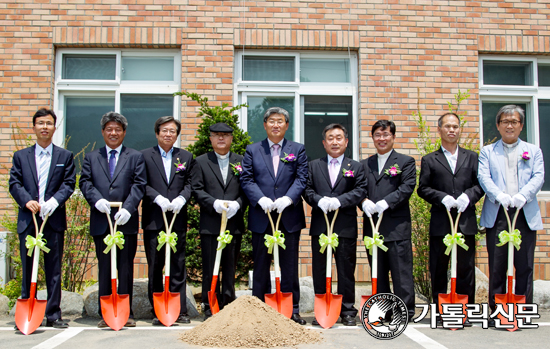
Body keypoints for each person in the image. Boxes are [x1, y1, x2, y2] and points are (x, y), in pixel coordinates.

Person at [240, 107, 308, 325]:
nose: (276, 125)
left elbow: (301, 178)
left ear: (287, 125)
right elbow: (247, 179)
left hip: (289, 217)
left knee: (289, 266)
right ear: (265, 124)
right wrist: (260, 199)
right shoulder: (253, 150)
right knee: (261, 265)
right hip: (262, 216)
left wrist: (288, 199)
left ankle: (292, 309)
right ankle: (259, 309)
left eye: (280, 121)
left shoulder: (297, 150)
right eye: (271, 121)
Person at [9, 108, 76, 329]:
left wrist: (54, 202)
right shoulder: (21, 156)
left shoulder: (64, 156)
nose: (44, 127)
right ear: (34, 127)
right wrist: (27, 201)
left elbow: (68, 184)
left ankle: (54, 314)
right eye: (40, 123)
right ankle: (27, 309)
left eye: (48, 123)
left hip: (52, 220)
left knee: (53, 269)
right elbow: (15, 183)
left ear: (54, 127)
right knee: (28, 267)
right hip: (29, 219)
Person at [478, 105, 544, 325]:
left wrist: (523, 196)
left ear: (521, 125)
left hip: (524, 212)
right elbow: (484, 178)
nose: (509, 125)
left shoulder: (533, 151)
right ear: (498, 125)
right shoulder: (488, 151)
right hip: (498, 212)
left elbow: (538, 177)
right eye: (505, 121)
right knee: (497, 264)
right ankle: (498, 311)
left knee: (524, 265)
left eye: (514, 121)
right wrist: (500, 195)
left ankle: (523, 311)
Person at [80, 111, 147, 328]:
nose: (113, 132)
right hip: (102, 221)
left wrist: (129, 208)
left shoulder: (135, 157)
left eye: (118, 129)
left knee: (125, 267)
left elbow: (139, 185)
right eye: (109, 129)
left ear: (124, 132)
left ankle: (125, 313)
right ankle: (105, 313)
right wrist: (96, 201)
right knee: (105, 266)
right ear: (102, 132)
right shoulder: (92, 157)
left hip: (125, 221)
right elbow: (85, 183)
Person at [418, 112, 484, 326]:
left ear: (459, 129)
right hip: (441, 222)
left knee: (466, 269)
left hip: (465, 222)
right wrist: (442, 197)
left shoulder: (472, 157)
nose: (452, 130)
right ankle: (439, 313)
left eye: (455, 126)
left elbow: (481, 184)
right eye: (447, 126)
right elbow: (423, 188)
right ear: (439, 129)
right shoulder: (430, 159)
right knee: (438, 268)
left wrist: (469, 197)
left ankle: (465, 312)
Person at [304, 123, 367, 326]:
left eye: (339, 138)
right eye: (330, 138)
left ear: (346, 142)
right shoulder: (313, 166)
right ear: (324, 143)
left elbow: (361, 190)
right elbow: (307, 189)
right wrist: (319, 200)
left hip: (345, 226)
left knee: (345, 269)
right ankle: (322, 308)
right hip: (321, 226)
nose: (335, 141)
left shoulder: (356, 167)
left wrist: (341, 201)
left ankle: (348, 310)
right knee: (320, 269)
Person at [360, 119, 416, 320]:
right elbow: (358, 189)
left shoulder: (405, 162)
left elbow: (407, 187)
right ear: (373, 138)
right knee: (378, 272)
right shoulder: (364, 164)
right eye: (377, 135)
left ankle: (406, 310)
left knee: (401, 272)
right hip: (373, 228)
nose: (381, 139)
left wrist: (387, 202)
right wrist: (363, 201)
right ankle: (382, 309)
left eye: (386, 135)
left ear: (393, 137)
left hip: (396, 227)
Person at [191, 122, 247, 320]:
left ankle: (229, 303)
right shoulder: (200, 161)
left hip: (233, 222)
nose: (221, 138)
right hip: (211, 223)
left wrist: (238, 204)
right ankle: (209, 305)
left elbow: (247, 189)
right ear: (210, 139)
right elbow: (196, 189)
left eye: (225, 135)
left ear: (232, 138)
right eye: (216, 135)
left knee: (230, 267)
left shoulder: (241, 161)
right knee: (209, 267)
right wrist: (213, 203)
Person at [141, 116, 194, 325]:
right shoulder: (144, 156)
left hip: (177, 218)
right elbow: (141, 183)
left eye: (172, 131)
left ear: (177, 134)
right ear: (157, 133)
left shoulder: (186, 157)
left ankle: (179, 310)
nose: (168, 134)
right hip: (154, 219)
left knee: (178, 264)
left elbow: (191, 182)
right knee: (156, 265)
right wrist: (157, 198)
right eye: (164, 130)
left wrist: (183, 197)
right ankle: (157, 310)